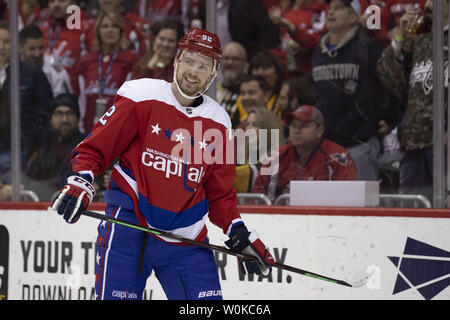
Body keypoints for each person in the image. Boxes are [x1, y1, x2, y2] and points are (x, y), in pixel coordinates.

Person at [51, 27, 275, 300]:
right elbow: (96, 147)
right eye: (189, 61)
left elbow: (219, 193)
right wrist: (82, 181)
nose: (193, 72)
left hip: (187, 238)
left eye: (203, 66)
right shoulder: (141, 95)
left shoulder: (219, 120)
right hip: (129, 229)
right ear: (176, 60)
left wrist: (238, 231)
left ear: (214, 73)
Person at [311, 0, 399, 181]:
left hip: (359, 143)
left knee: (359, 206)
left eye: (339, 8)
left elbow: (394, 83)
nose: (331, 12)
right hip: (325, 144)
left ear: (353, 17)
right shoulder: (319, 53)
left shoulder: (367, 47)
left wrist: (389, 118)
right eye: (330, 8)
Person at [376, 0, 442, 201]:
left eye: (432, 7)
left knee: (444, 202)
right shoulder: (419, 41)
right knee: (411, 206)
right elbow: (388, 77)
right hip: (413, 137)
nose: (427, 10)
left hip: (442, 139)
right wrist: (400, 36)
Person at [252, 105, 358, 202]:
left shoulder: (338, 157)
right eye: (293, 125)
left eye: (304, 126)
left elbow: (349, 198)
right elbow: (258, 194)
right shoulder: (277, 156)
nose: (297, 130)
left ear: (319, 131)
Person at [0, 21, 54, 192]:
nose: (1, 47)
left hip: (18, 152)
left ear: (16, 45)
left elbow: (48, 114)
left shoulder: (32, 74)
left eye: (7, 42)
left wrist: (40, 148)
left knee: (16, 194)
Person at [77, 9, 140, 133]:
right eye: (105, 26)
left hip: (118, 127)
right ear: (98, 31)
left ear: (121, 31)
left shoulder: (131, 59)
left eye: (114, 26)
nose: (110, 30)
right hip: (89, 127)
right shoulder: (87, 60)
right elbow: (80, 97)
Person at [24, 93, 85, 202]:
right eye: (59, 114)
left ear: (77, 117)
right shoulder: (43, 148)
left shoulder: (85, 146)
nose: (65, 119)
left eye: (70, 113)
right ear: (51, 118)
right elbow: (30, 180)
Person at [40, 0, 92, 92]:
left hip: (75, 93)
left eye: (62, 1)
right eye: (52, 1)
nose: (56, 5)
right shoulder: (42, 29)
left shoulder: (87, 29)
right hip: (45, 89)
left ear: (73, 3)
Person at [268, 0, 328, 76]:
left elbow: (318, 40)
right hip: (287, 68)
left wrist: (293, 29)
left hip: (311, 69)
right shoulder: (287, 9)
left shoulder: (322, 8)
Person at [233, 107, 285, 193]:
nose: (248, 129)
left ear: (269, 129)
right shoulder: (242, 158)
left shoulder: (278, 157)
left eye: (255, 125)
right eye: (247, 124)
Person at [19, 24, 74, 97]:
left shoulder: (57, 73)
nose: (37, 54)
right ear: (20, 48)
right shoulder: (10, 71)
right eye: (32, 49)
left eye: (41, 48)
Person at [84, 0, 150, 56]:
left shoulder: (140, 25)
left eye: (115, 26)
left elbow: (146, 58)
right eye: (105, 26)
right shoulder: (88, 28)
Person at [216, 41, 248, 128]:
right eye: (226, 58)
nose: (230, 63)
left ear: (245, 63)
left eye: (235, 59)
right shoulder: (209, 91)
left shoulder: (250, 93)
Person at [249, 50, 285, 117]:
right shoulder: (243, 99)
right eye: (256, 68)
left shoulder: (284, 97)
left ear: (277, 72)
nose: (260, 73)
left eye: (266, 67)